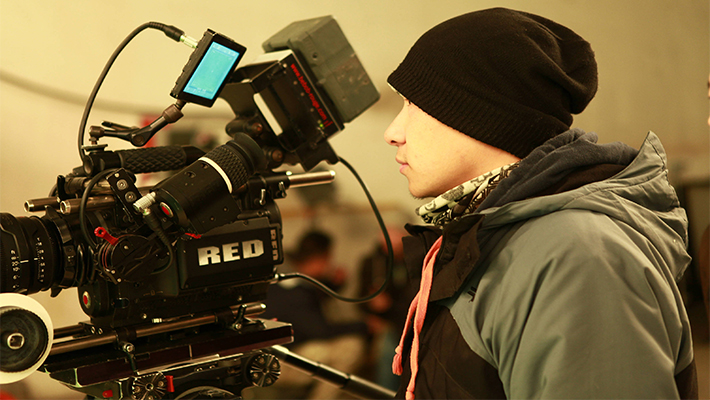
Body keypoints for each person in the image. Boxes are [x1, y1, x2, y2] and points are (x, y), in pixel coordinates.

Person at [382, 7, 697, 399]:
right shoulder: (496, 235)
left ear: (479, 113)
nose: (392, 132)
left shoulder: (576, 258)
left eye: (413, 104)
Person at [260, 230, 368, 399]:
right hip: (278, 364)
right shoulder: (297, 291)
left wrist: (334, 285)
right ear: (320, 258)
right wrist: (364, 325)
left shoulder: (286, 278)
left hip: (272, 357)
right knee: (351, 348)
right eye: (329, 258)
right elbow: (319, 330)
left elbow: (306, 307)